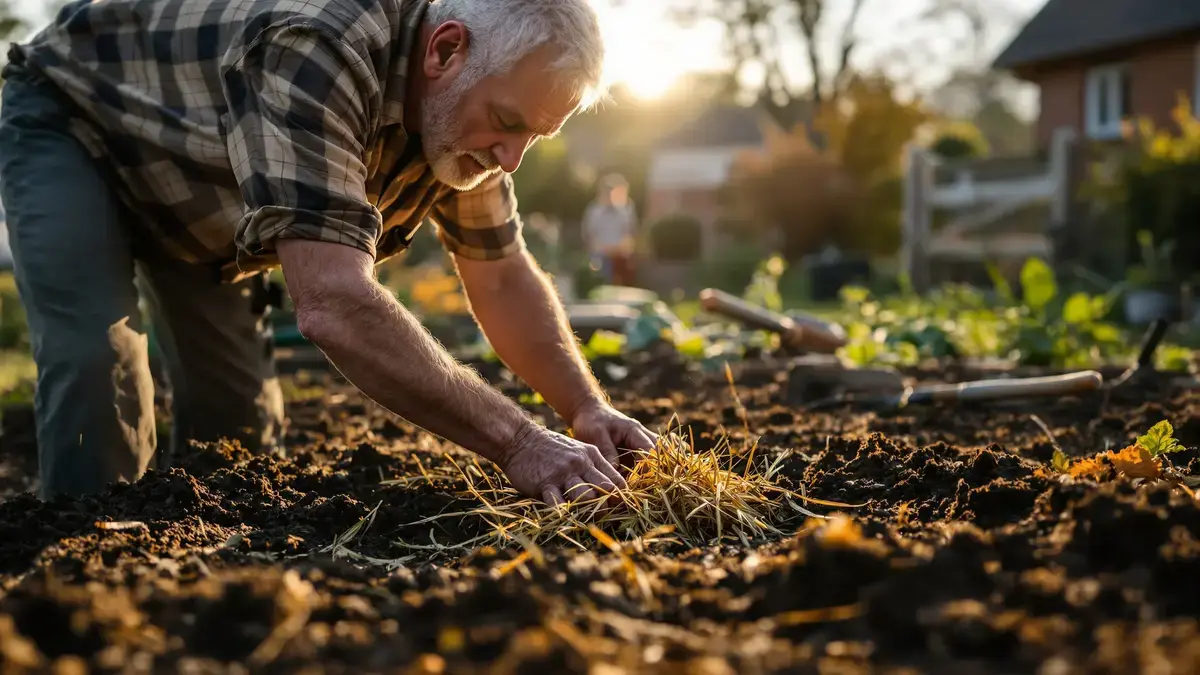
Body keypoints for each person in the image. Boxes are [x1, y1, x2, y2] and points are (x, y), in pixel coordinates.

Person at [0, 0, 657, 503]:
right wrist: (517, 442)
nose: (510, 159)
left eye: (535, 137)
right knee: (99, 369)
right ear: (445, 50)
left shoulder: (465, 121)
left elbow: (504, 277)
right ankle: (79, 581)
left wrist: (584, 407)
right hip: (77, 124)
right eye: (510, 122)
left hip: (202, 197)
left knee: (236, 434)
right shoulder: (318, 48)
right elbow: (333, 303)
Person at [581, 173, 638, 286]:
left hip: (620, 254)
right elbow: (590, 237)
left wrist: (619, 249)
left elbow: (629, 235)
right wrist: (606, 250)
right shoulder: (594, 212)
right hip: (601, 254)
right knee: (600, 265)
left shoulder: (625, 211)